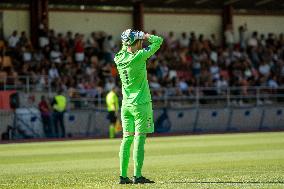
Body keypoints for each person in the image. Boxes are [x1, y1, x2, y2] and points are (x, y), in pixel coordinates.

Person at [114, 29, 163, 184]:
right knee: (139, 139)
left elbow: (125, 45)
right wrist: (145, 35)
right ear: (138, 42)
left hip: (126, 105)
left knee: (126, 139)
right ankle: (137, 176)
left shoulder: (118, 57)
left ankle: (123, 176)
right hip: (141, 104)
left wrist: (131, 37)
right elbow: (159, 41)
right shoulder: (139, 56)